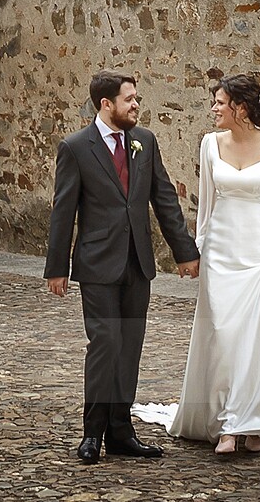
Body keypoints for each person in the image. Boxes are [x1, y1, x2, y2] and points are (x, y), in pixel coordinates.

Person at [45, 70, 200, 465]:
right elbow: (63, 211)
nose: (136, 105)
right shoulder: (76, 147)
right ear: (106, 104)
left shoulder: (144, 141)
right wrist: (56, 266)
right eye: (129, 99)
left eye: (136, 98)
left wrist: (185, 252)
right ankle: (92, 433)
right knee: (105, 344)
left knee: (129, 347)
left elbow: (164, 198)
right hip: (97, 264)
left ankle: (121, 432)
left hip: (137, 263)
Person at [165, 73, 260, 453]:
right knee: (224, 337)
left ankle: (252, 423)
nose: (214, 109)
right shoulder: (210, 145)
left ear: (241, 108)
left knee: (255, 339)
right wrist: (197, 250)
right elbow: (207, 206)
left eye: (219, 103)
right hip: (221, 253)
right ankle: (228, 423)